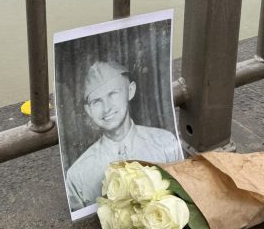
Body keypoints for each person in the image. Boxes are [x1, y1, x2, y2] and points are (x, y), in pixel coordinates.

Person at [65, 60, 182, 211]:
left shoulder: (165, 142)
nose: (107, 108)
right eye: (96, 101)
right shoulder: (77, 175)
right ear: (88, 110)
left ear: (130, 90)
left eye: (113, 94)